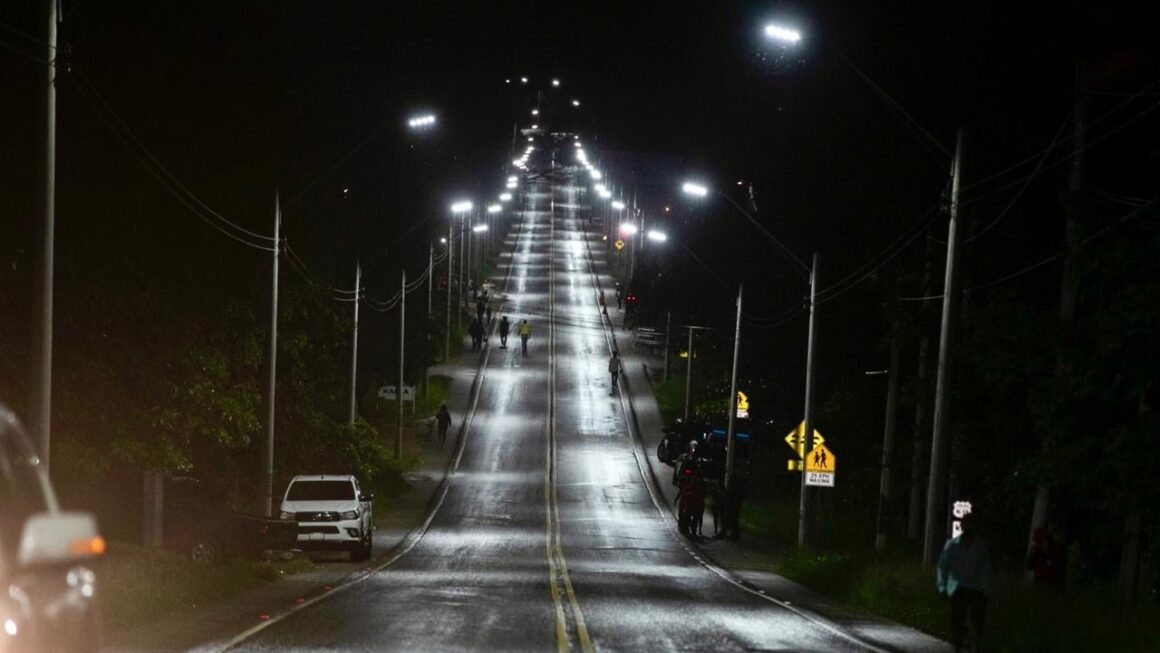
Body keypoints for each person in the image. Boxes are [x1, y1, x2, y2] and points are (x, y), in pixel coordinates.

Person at [937, 512, 992, 653]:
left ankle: (975, 645)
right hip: (957, 587)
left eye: (972, 525)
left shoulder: (980, 547)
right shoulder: (952, 545)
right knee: (956, 619)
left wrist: (987, 590)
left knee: (977, 621)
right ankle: (958, 645)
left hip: (976, 588)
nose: (969, 528)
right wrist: (942, 588)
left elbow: (986, 570)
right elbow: (942, 567)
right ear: (962, 526)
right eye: (967, 524)